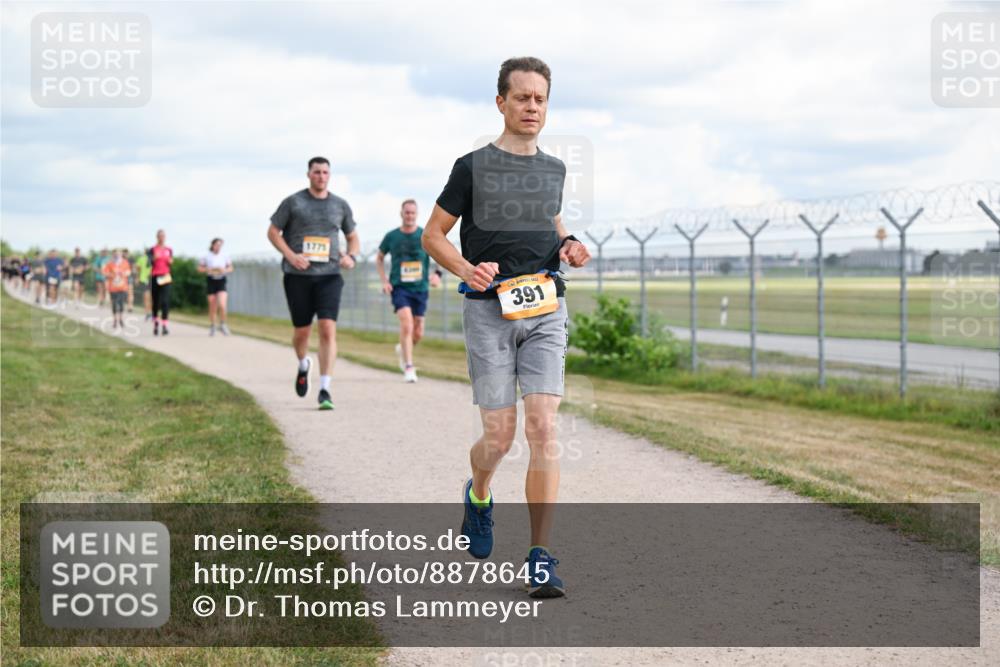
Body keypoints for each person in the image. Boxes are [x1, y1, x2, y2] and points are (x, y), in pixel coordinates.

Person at [422, 57, 591, 599]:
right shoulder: (471, 167)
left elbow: (551, 223)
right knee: (500, 435)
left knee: (542, 427)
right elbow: (434, 235)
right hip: (489, 310)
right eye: (522, 98)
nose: (532, 107)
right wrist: (466, 268)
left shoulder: (554, 170)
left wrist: (568, 244)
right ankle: (478, 493)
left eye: (540, 99)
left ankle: (540, 555)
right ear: (501, 102)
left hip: (545, 307)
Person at [267, 156, 360, 410]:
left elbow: (353, 237)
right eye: (317, 172)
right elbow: (273, 232)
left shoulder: (340, 205)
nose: (321, 176)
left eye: (325, 172)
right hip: (298, 276)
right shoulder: (293, 202)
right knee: (302, 332)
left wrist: (351, 256)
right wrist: (291, 256)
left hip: (330, 275)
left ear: (329, 176)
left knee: (328, 328)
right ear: (309, 174)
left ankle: (325, 388)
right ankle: (302, 364)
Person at [377, 199, 442, 383]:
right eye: (407, 212)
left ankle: (403, 350)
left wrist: (437, 274)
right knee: (407, 324)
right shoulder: (392, 236)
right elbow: (379, 258)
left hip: (420, 288)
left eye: (413, 213)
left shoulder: (424, 235)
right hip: (400, 288)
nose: (410, 216)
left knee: (418, 331)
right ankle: (409, 367)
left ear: (417, 214)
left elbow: (439, 253)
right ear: (401, 213)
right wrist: (384, 281)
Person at [198, 237, 234, 336]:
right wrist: (207, 269)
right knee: (212, 305)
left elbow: (231, 268)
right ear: (213, 245)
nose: (218, 247)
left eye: (220, 245)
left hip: (221, 281)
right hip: (211, 281)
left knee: (222, 305)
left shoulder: (225, 256)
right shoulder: (207, 256)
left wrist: (224, 270)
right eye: (217, 245)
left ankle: (223, 324)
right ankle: (213, 325)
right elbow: (199, 268)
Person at [150, 230, 173, 336]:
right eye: (160, 236)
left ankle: (164, 325)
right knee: (156, 302)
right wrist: (154, 257)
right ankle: (155, 324)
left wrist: (170, 261)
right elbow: (149, 262)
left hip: (166, 277)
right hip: (155, 276)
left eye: (163, 236)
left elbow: (171, 262)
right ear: (157, 237)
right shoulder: (152, 249)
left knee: (165, 301)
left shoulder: (169, 249)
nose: (161, 238)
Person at [102, 248, 131, 331]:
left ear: (121, 254)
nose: (117, 255)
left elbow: (129, 271)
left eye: (118, 253)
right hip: (113, 288)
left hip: (123, 287)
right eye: (115, 254)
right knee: (114, 304)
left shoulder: (125, 263)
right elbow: (105, 272)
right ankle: (115, 320)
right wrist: (111, 274)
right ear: (113, 255)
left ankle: (121, 319)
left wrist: (124, 273)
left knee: (121, 304)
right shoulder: (110, 264)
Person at [134, 247, 152, 320]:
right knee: (151, 297)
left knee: (146, 297)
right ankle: (150, 312)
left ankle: (148, 313)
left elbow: (138, 268)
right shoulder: (154, 259)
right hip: (152, 280)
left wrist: (137, 278)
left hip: (144, 280)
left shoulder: (141, 258)